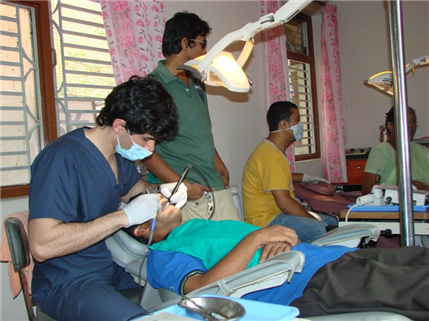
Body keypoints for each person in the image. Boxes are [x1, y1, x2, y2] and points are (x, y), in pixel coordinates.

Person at [28, 76, 188, 321]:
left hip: (105, 268)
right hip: (66, 281)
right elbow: (42, 246)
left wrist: (163, 191)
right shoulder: (61, 159)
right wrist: (124, 217)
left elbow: (135, 189)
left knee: (177, 296)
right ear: (119, 126)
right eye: (146, 138)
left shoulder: (118, 155)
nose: (151, 149)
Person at [133, 208, 429, 320]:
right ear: (141, 230)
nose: (162, 196)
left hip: (331, 257)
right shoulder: (163, 253)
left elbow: (271, 241)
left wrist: (279, 239)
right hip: (309, 284)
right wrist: (258, 238)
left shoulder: (198, 225)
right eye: (151, 203)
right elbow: (201, 291)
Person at [144, 11, 241, 222]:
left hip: (213, 183)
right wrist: (183, 186)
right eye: (202, 43)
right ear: (185, 43)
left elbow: (199, 131)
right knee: (202, 252)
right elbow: (143, 150)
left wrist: (219, 164)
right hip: (187, 193)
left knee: (241, 245)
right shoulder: (153, 87)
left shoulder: (197, 82)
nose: (205, 50)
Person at [242, 101, 337, 243]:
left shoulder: (271, 151)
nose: (301, 125)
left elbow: (278, 176)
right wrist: (313, 219)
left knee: (334, 222)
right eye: (297, 120)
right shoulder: (270, 156)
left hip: (277, 214)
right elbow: (285, 203)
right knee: (324, 230)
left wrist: (306, 178)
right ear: (284, 125)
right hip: (266, 220)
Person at [362, 106, 429, 194]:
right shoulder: (381, 151)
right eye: (404, 120)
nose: (411, 125)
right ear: (390, 126)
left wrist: (423, 188)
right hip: (393, 206)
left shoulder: (422, 151)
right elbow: (367, 189)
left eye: (413, 121)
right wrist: (403, 188)